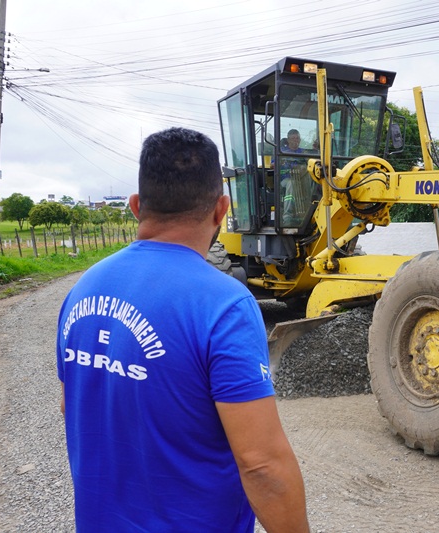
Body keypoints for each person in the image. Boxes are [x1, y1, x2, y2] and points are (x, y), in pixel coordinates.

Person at [57, 127, 309, 532]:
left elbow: (76, 407)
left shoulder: (83, 289)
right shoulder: (225, 305)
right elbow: (261, 464)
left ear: (137, 206)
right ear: (221, 209)